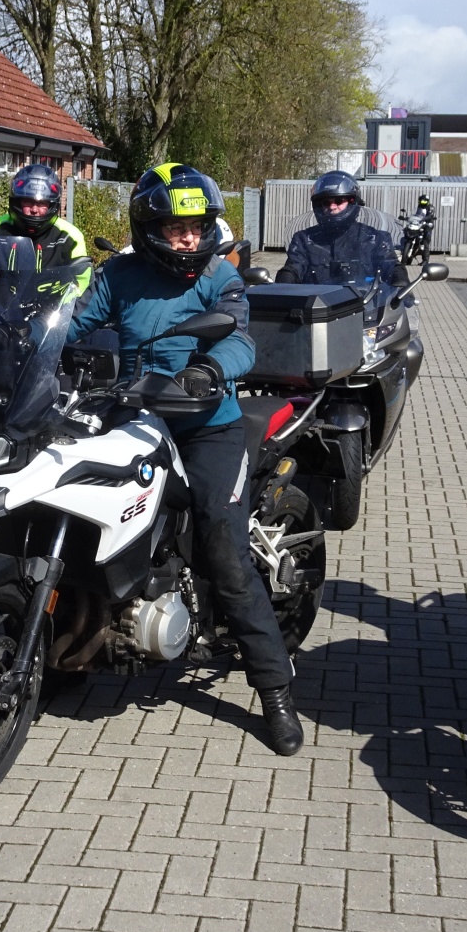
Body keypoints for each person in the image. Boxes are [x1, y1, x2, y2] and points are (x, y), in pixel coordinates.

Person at [68, 163, 303, 756]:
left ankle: (275, 688)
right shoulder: (117, 275)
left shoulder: (219, 276)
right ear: (149, 228)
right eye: (177, 229)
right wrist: (25, 340)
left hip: (208, 426)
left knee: (223, 545)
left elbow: (239, 337)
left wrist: (211, 368)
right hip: (132, 416)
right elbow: (73, 322)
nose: (189, 239)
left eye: (197, 228)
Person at [0, 162, 90, 304]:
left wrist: (58, 304)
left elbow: (81, 284)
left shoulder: (70, 236)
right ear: (17, 202)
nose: (34, 209)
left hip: (50, 314)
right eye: (28, 201)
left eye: (42, 203)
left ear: (52, 204)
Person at [278, 170, 403, 286]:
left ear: (352, 201)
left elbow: (390, 265)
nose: (332, 207)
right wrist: (283, 282)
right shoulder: (304, 239)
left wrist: (400, 282)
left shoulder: (375, 238)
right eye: (326, 203)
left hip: (365, 301)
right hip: (315, 302)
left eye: (339, 201)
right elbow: (294, 267)